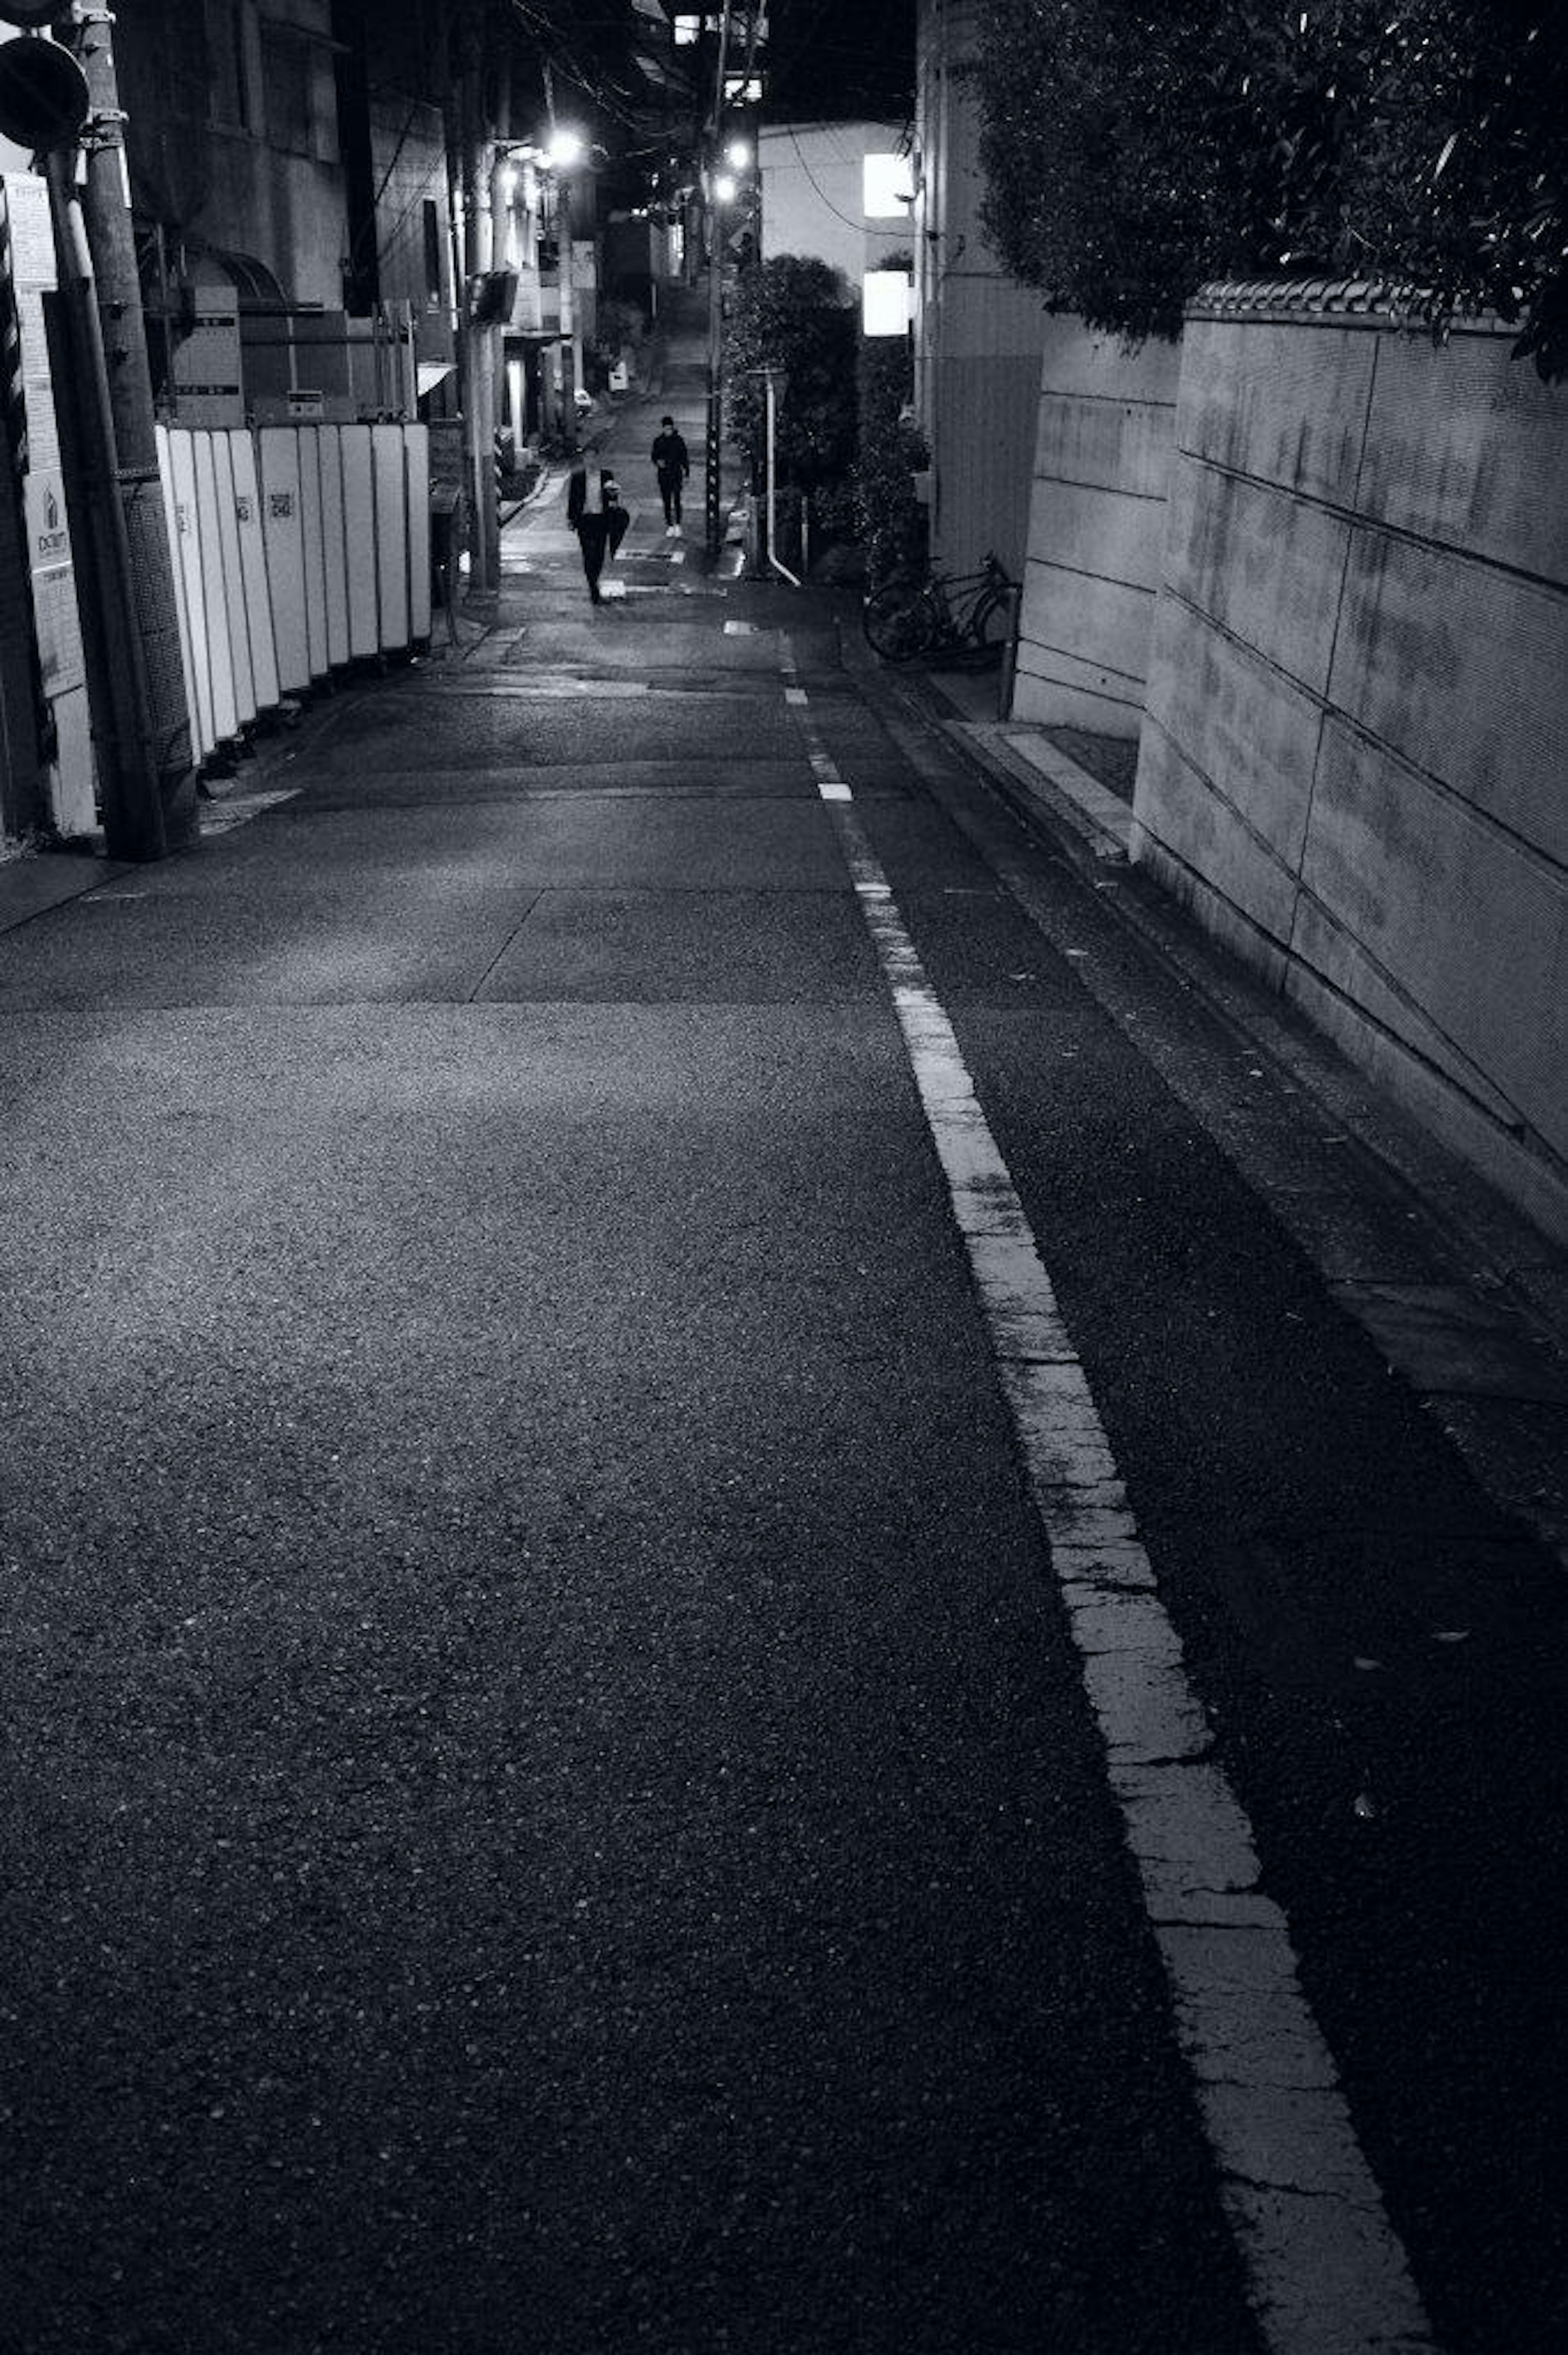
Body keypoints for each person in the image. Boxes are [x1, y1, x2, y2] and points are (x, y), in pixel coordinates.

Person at [565, 445, 628, 604]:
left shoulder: (607, 476)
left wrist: (614, 495)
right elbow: (573, 500)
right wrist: (571, 519)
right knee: (588, 554)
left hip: (601, 519)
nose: (591, 461)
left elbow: (613, 498)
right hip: (585, 520)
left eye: (594, 457)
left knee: (599, 554)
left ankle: (595, 579)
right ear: (584, 460)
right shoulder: (578, 477)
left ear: (598, 459)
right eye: (588, 458)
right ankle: (593, 587)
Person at [650, 415, 690, 535]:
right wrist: (658, 462)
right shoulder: (658, 441)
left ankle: (678, 524)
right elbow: (654, 456)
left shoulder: (679, 441)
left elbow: (684, 457)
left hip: (676, 474)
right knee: (666, 501)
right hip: (663, 475)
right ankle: (670, 525)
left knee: (677, 499)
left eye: (670, 428)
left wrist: (687, 473)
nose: (668, 430)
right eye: (666, 428)